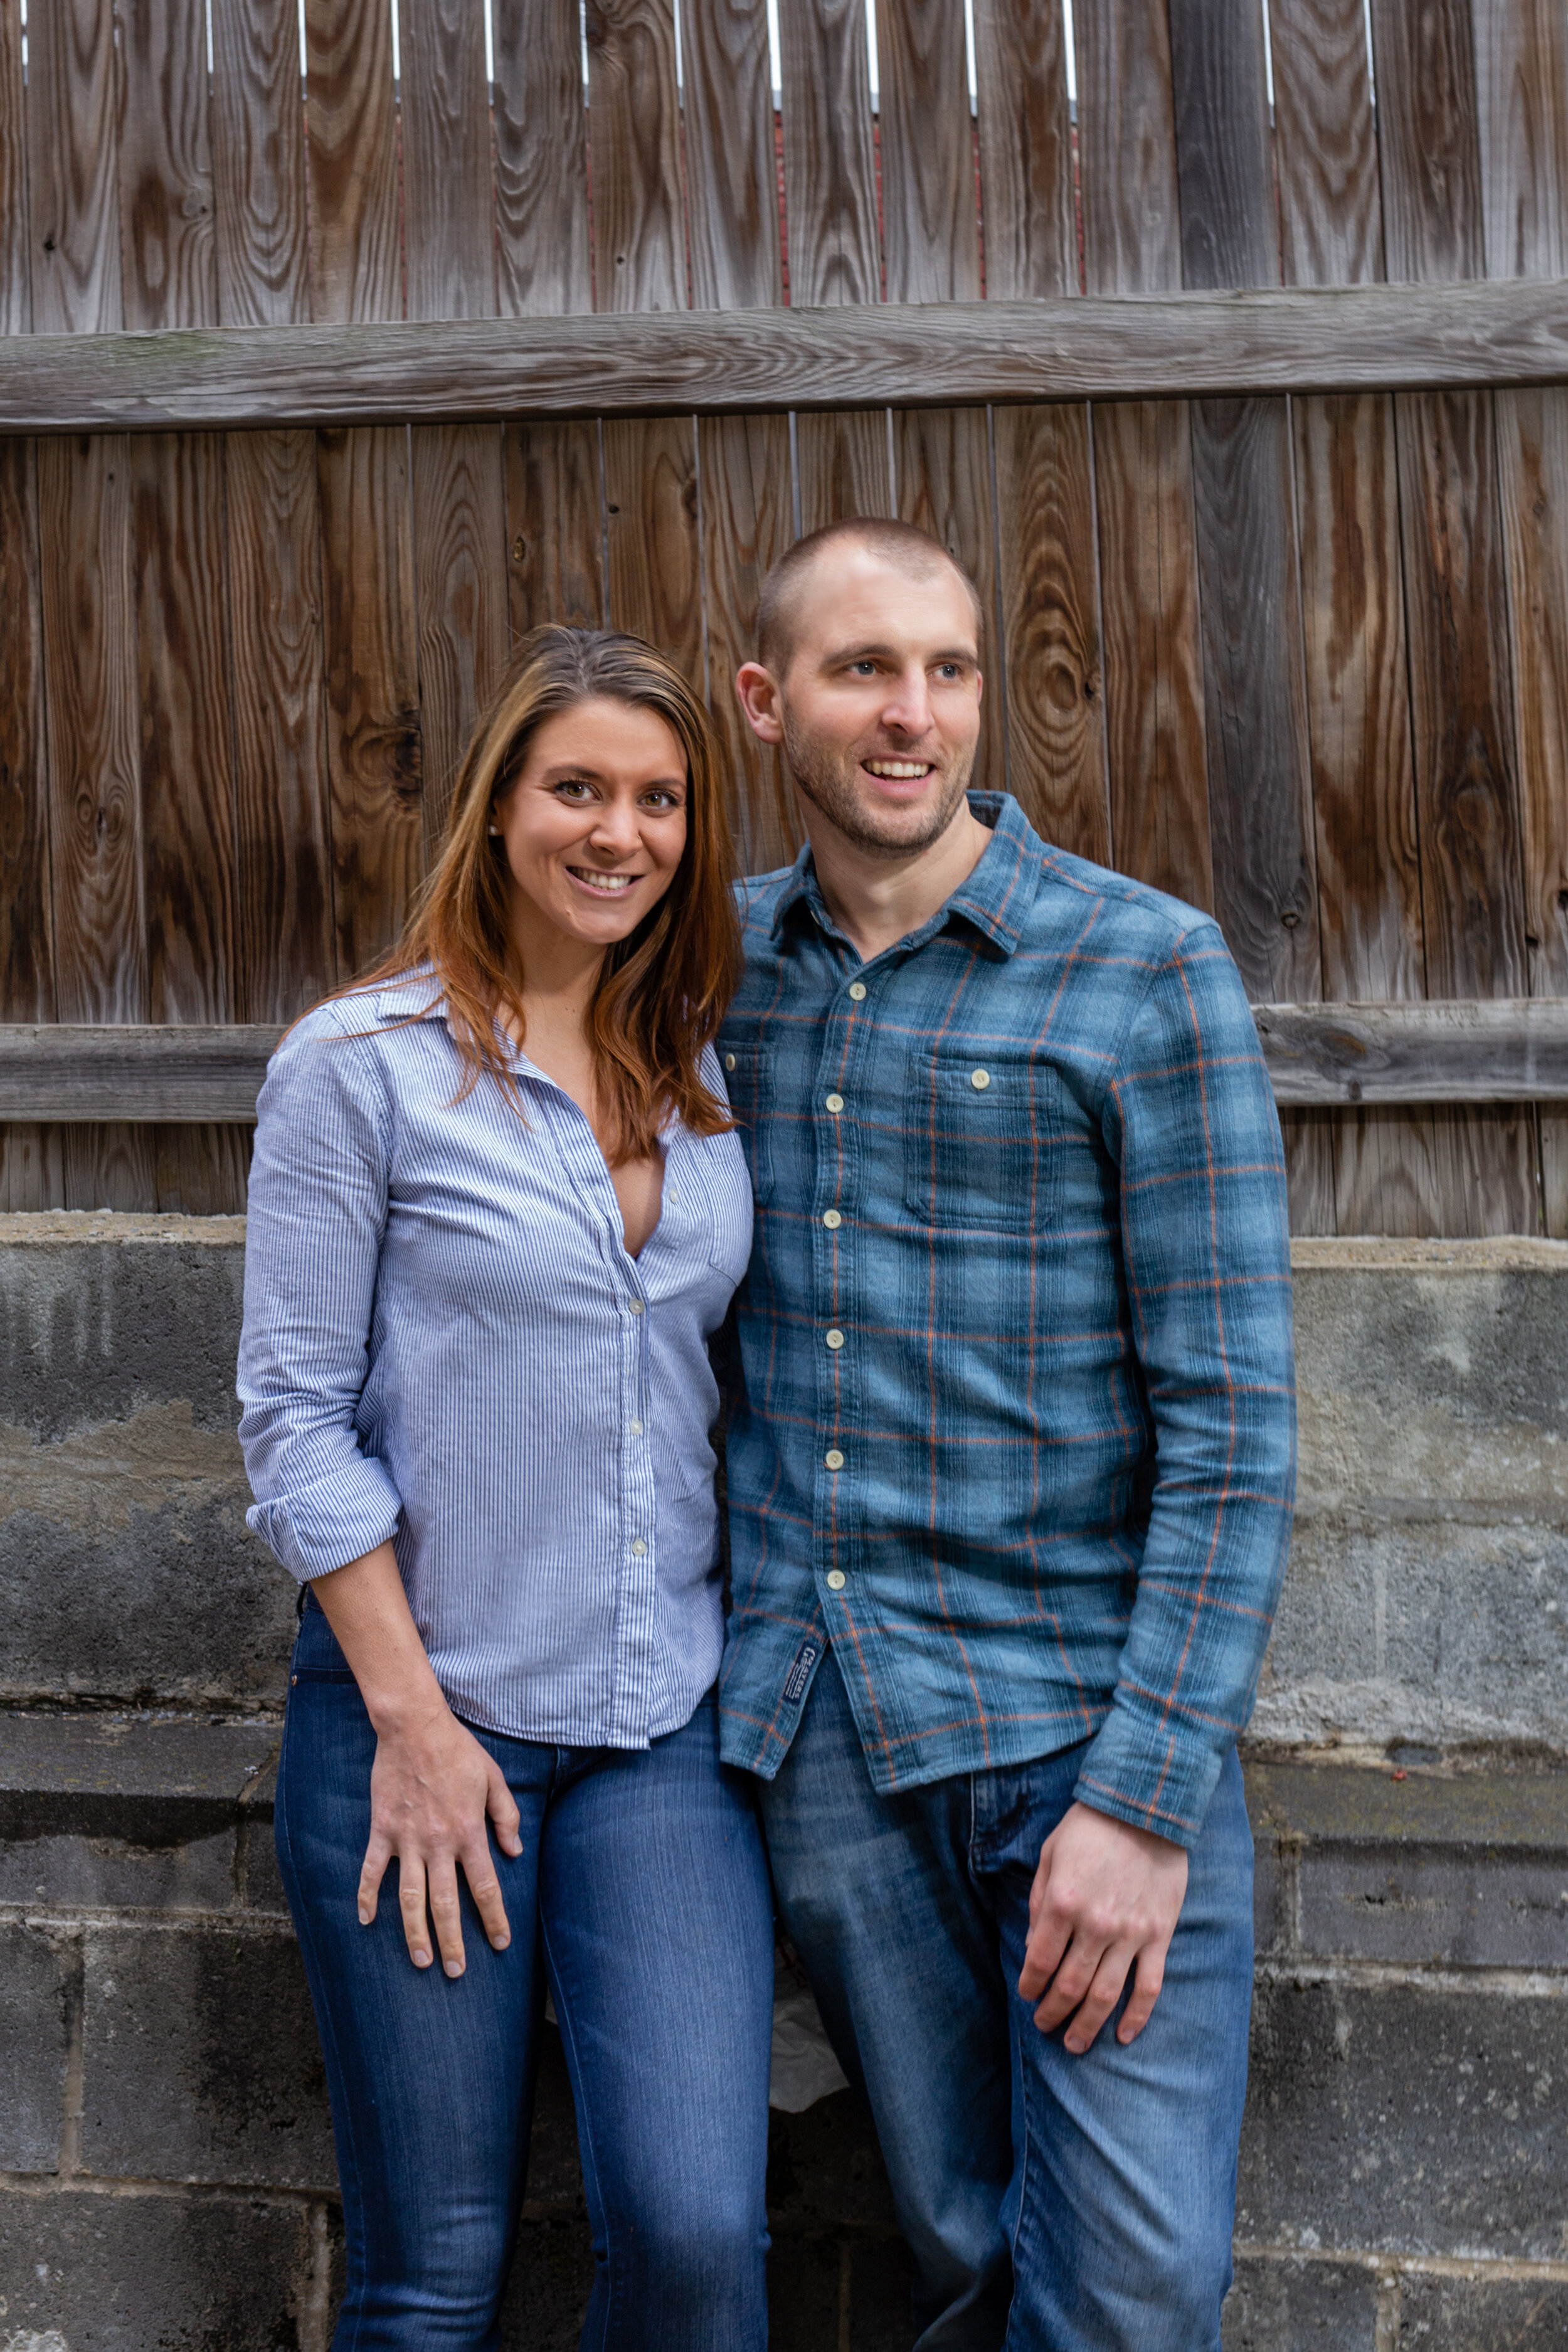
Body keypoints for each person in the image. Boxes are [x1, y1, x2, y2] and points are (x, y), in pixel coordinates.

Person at [718, 521, 1296, 2349]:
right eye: (861, 670)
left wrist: (1138, 1800)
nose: (912, 716)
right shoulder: (698, 969)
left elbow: (1232, 1424)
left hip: (1079, 1729)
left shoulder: (1140, 968)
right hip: (827, 1733)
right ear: (764, 703)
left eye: (946, 670)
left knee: (1129, 2292)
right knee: (965, 2251)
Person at [238, 627, 774, 2351]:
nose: (619, 832)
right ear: (496, 810)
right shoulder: (359, 1066)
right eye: (578, 789)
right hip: (425, 1721)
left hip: (657, 1734)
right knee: (432, 2277)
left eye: (660, 799)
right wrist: (410, 1722)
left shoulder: (706, 1075)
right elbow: (292, 1418)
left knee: (697, 2241)